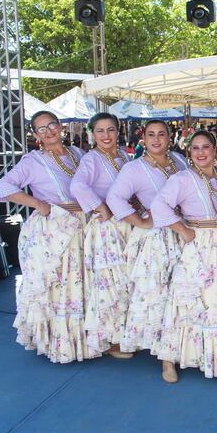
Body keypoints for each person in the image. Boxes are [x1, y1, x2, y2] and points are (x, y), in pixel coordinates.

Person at [0, 111, 94, 363]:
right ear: (35, 135)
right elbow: (3, 188)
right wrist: (38, 203)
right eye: (41, 129)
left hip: (84, 224)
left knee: (83, 281)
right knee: (60, 285)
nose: (48, 131)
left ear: (60, 126)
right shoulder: (33, 161)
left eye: (51, 125)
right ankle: (60, 343)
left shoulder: (79, 154)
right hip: (55, 228)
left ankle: (88, 340)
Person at [151, 130, 217, 388]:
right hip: (200, 243)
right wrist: (183, 231)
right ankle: (169, 359)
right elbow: (159, 206)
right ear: (189, 152)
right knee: (191, 300)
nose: (201, 152)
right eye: (195, 148)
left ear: (216, 150)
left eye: (206, 147)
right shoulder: (182, 178)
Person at [106, 120, 189, 382]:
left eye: (161, 134)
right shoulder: (135, 167)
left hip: (184, 232)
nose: (156, 140)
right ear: (143, 138)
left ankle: (185, 347)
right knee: (160, 295)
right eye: (150, 135)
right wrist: (140, 221)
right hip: (155, 239)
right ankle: (166, 360)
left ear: (170, 137)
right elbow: (114, 198)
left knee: (184, 291)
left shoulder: (179, 160)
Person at [70, 112, 133, 359]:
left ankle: (125, 333)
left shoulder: (125, 157)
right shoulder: (92, 159)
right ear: (92, 134)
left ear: (118, 132)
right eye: (100, 131)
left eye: (111, 130)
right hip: (106, 228)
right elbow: (77, 186)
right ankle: (110, 339)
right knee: (109, 281)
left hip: (126, 224)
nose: (106, 135)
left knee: (125, 280)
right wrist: (100, 206)